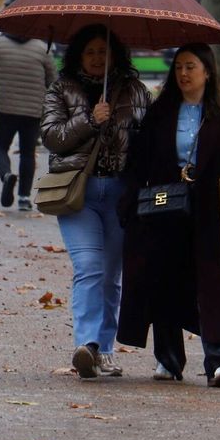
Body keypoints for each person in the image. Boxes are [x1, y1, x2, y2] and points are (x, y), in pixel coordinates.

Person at [118, 43, 220, 387]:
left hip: (210, 214)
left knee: (214, 286)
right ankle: (168, 359)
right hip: (165, 209)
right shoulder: (160, 112)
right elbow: (139, 160)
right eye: (179, 67)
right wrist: (132, 203)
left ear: (207, 72)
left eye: (191, 67)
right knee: (164, 281)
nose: (183, 74)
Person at [41, 24, 149, 380]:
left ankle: (105, 349)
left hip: (120, 194)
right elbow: (52, 137)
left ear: (115, 54)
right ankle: (85, 345)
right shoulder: (61, 89)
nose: (97, 58)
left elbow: (152, 138)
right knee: (89, 266)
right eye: (90, 52)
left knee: (111, 276)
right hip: (78, 193)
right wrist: (89, 120)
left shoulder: (135, 92)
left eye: (104, 51)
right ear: (78, 56)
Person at [0, 32, 55, 212]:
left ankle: (6, 174)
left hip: (4, 109)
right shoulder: (42, 48)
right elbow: (53, 80)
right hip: (33, 111)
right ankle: (24, 198)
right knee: (27, 153)